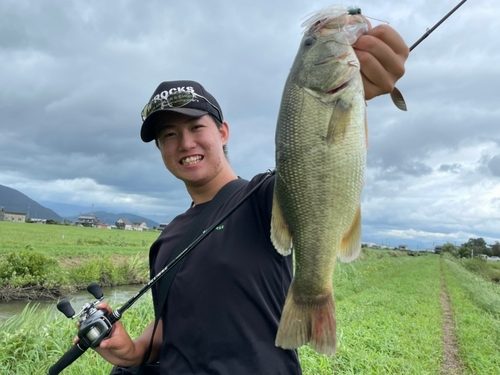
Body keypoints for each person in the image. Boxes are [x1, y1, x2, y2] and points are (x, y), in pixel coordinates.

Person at [91, 24, 409, 374]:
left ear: (222, 132)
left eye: (197, 127)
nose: (185, 143)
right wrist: (133, 352)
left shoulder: (262, 198)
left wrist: (357, 89)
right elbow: (175, 323)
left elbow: (316, 162)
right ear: (161, 149)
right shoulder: (167, 239)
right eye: (169, 135)